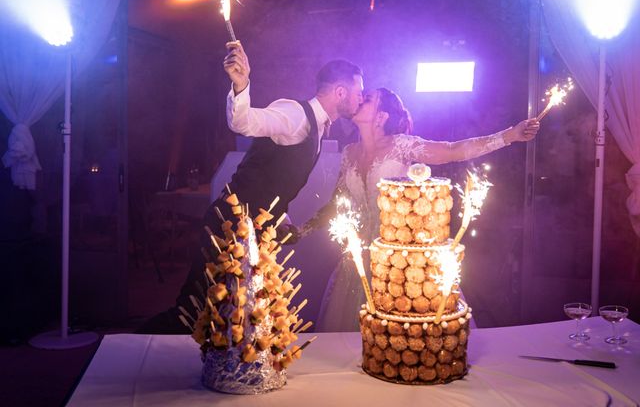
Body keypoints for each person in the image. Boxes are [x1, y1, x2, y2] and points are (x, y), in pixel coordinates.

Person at [138, 41, 363, 334]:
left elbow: (274, 179)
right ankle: (124, 355)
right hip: (228, 227)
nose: (361, 98)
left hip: (252, 230)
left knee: (234, 313)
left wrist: (281, 219)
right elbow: (244, 122)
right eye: (358, 91)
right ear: (340, 92)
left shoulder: (319, 126)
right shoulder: (294, 114)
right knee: (192, 311)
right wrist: (242, 85)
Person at [300, 87, 540, 332]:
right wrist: (303, 229)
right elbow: (336, 201)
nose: (359, 99)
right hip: (358, 259)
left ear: (381, 116)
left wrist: (510, 135)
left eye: (368, 99)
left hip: (401, 258)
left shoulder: (402, 146)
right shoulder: (349, 152)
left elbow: (452, 150)